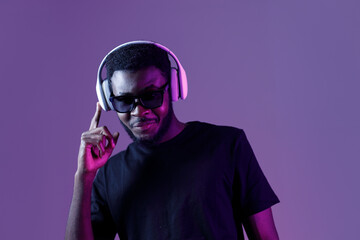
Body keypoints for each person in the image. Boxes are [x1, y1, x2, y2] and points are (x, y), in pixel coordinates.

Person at [65, 41, 280, 240]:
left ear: (174, 88)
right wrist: (83, 177)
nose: (138, 111)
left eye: (150, 96)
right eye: (125, 101)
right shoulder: (109, 175)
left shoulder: (227, 146)